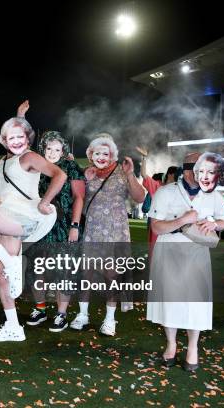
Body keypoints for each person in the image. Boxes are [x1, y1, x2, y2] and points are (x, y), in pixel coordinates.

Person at [0, 114, 67, 342]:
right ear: (3, 140)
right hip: (4, 219)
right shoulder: (0, 164)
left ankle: (13, 263)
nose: (17, 140)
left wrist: (45, 201)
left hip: (22, 216)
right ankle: (13, 327)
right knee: (1, 277)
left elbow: (60, 175)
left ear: (27, 139)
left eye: (21, 136)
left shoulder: (29, 157)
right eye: (11, 137)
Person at [146, 152, 224, 372]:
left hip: (197, 252)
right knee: (170, 300)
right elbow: (156, 227)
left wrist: (215, 225)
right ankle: (171, 345)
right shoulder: (166, 192)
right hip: (169, 250)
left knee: (196, 302)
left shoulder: (213, 195)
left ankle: (193, 348)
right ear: (186, 170)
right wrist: (182, 220)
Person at [70, 134, 145, 336]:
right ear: (90, 154)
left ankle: (110, 320)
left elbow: (140, 198)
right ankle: (82, 315)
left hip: (116, 231)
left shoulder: (123, 171)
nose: (101, 156)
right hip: (92, 230)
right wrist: (84, 181)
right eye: (97, 153)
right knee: (86, 274)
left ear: (112, 154)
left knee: (111, 276)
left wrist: (130, 175)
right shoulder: (86, 173)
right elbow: (77, 200)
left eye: (106, 153)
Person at [26, 130, 85, 332]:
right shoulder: (36, 167)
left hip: (63, 223)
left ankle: (61, 314)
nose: (52, 152)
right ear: (43, 148)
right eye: (49, 148)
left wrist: (74, 226)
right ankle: (40, 309)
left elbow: (78, 197)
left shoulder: (71, 166)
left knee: (63, 270)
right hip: (38, 225)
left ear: (63, 150)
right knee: (36, 269)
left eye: (57, 149)